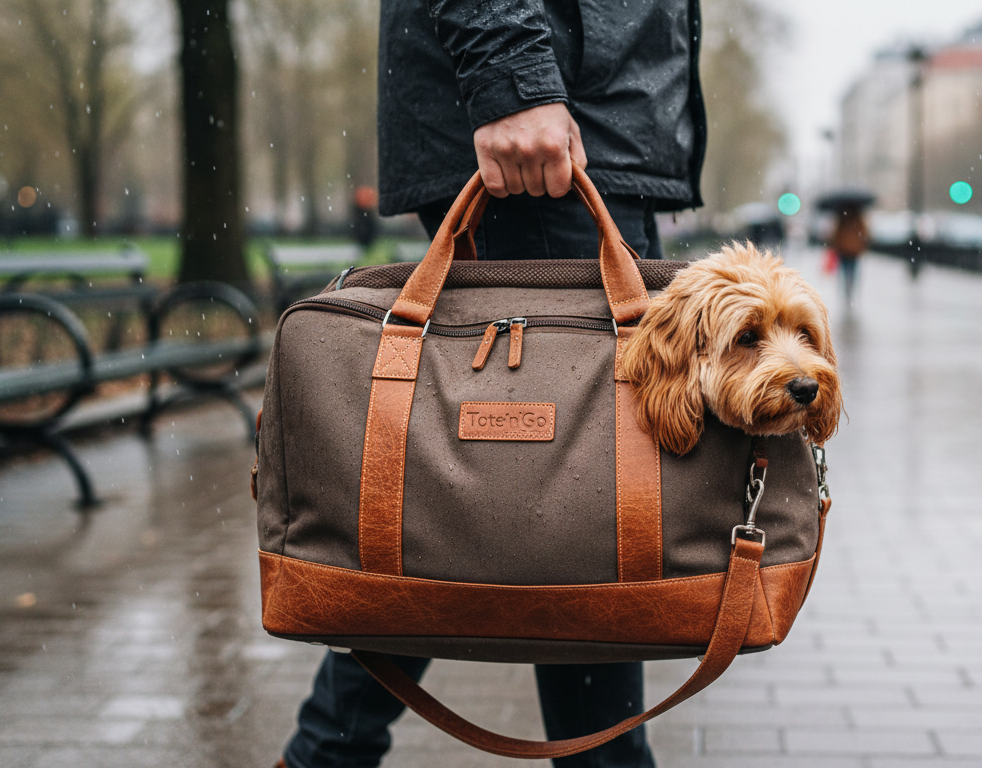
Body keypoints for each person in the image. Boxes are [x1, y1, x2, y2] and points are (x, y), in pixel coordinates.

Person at [277, 1, 707, 766]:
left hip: (577, 111)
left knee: (487, 511)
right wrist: (511, 78)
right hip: (550, 119)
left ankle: (321, 755)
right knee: (570, 514)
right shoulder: (528, 99)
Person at [828, 204, 868, 305]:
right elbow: (865, 233)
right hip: (854, 251)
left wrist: (836, 244)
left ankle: (846, 291)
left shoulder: (841, 218)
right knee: (853, 271)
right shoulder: (858, 218)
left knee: (844, 271)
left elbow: (835, 234)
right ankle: (850, 291)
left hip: (843, 250)